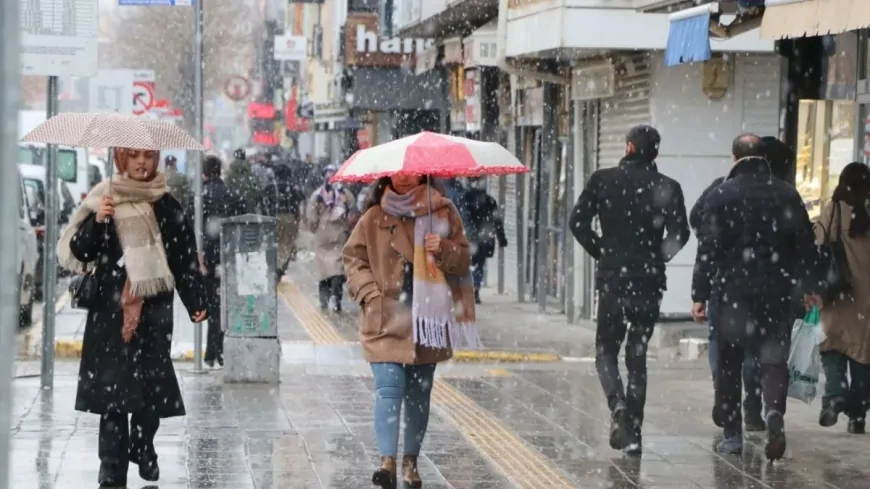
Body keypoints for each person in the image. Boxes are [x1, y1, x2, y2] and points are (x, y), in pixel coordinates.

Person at [56, 147, 207, 487]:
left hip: (153, 312)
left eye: (149, 156)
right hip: (111, 314)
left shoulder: (167, 205)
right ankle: (110, 466)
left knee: (148, 393)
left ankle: (142, 445)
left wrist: (196, 299)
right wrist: (98, 221)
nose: (142, 163)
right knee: (112, 398)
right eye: (134, 156)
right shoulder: (105, 198)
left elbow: (183, 260)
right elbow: (81, 251)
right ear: (121, 161)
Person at [342, 174, 477, 489]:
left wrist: (442, 248)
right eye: (397, 170)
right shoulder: (374, 216)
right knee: (389, 386)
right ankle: (386, 462)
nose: (404, 175)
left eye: (410, 170)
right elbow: (353, 259)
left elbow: (464, 259)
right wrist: (369, 294)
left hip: (427, 318)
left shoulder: (443, 212)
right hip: (385, 317)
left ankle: (410, 463)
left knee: (418, 395)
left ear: (422, 173)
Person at [691, 133, 820, 460]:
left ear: (735, 157)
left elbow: (706, 250)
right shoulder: (787, 193)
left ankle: (733, 436)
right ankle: (773, 414)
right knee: (773, 359)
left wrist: (699, 294)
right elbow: (806, 247)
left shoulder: (720, 195)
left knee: (730, 363)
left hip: (732, 293)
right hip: (777, 291)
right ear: (764, 158)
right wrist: (809, 288)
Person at [569, 124, 689, 455]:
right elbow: (680, 234)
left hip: (613, 280)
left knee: (606, 350)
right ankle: (633, 434)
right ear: (655, 153)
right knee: (637, 354)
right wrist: (655, 259)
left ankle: (617, 404)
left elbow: (577, 223)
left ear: (628, 148)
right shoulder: (667, 186)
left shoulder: (603, 180)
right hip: (648, 283)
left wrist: (604, 253)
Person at [814, 162, 870, 435]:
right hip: (866, 297)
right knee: (863, 354)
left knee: (832, 346)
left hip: (838, 291)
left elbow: (818, 238)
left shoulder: (834, 209)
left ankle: (835, 394)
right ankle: (858, 414)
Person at [188, 155, 245, 368]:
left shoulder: (199, 197)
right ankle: (219, 349)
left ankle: (211, 351)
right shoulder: (231, 195)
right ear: (220, 171)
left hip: (204, 259)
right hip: (227, 257)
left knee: (209, 304)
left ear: (204, 172)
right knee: (224, 305)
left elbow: (190, 227)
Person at [307, 165, 356, 311]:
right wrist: (347, 226)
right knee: (337, 266)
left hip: (322, 234)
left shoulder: (318, 194)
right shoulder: (345, 193)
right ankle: (336, 295)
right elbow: (353, 212)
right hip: (339, 233)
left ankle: (324, 298)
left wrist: (314, 227)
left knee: (323, 269)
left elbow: (312, 217)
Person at [458, 177, 507, 303]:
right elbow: (497, 221)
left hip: (469, 238)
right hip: (484, 238)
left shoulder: (464, 199)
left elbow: (460, 219)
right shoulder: (489, 201)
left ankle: (469, 288)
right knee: (479, 264)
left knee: (468, 264)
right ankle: (475, 289)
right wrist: (501, 238)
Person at [272, 159, 307, 279]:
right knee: (287, 245)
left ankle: (276, 266)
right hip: (290, 218)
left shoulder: (271, 187)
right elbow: (301, 200)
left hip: (274, 218)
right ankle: (281, 268)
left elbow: (263, 203)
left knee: (276, 244)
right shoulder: (293, 188)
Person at [225, 148, 261, 214]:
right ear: (244, 156)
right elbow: (256, 189)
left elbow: (226, 189)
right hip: (249, 206)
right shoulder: (250, 172)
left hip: (234, 205)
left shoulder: (229, 173)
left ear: (235, 157)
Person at [251, 152, 278, 217]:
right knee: (266, 206)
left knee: (263, 206)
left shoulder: (256, 167)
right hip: (266, 189)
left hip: (263, 189)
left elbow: (254, 180)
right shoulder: (268, 167)